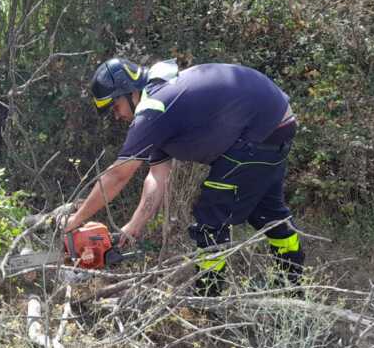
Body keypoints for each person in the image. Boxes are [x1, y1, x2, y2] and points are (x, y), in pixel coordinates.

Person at [62, 57, 304, 296]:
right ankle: (292, 286)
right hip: (274, 126)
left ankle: (208, 297)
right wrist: (135, 224)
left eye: (115, 107)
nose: (116, 116)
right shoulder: (160, 97)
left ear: (129, 91)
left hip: (261, 131)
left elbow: (118, 176)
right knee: (268, 214)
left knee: (211, 217)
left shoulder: (153, 108)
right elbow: (157, 177)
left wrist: (75, 220)